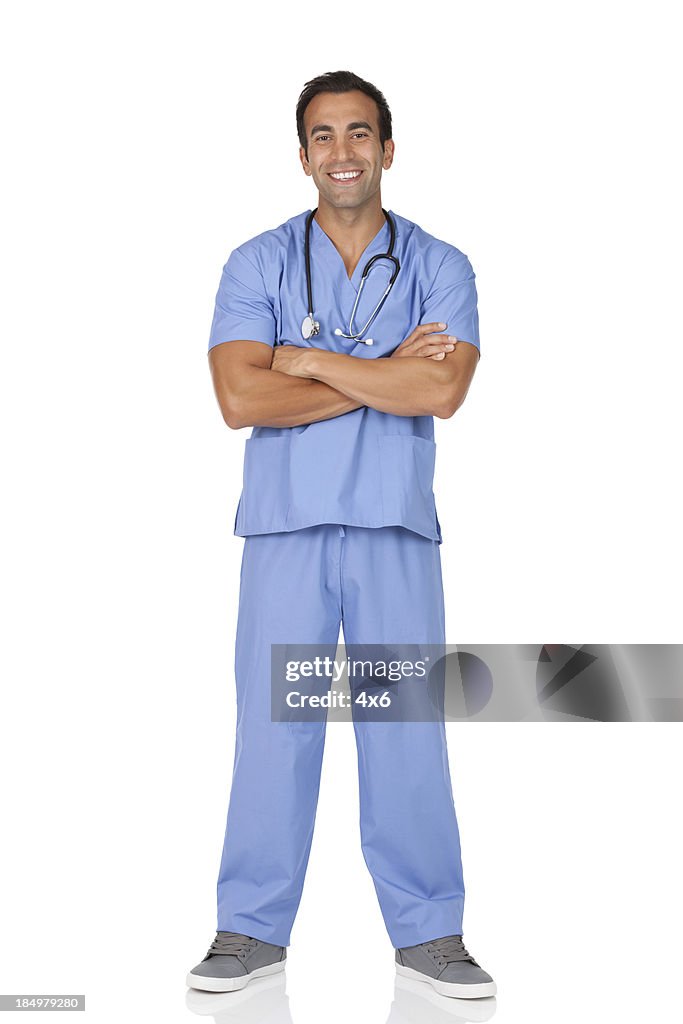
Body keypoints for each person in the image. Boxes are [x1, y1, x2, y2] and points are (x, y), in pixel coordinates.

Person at [186, 70, 496, 1001]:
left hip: (394, 528)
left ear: (387, 148)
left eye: (359, 133)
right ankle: (249, 930)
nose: (343, 151)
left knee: (404, 730)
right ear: (303, 156)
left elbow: (440, 390)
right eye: (323, 136)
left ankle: (430, 934)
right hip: (285, 530)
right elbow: (240, 398)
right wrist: (375, 371)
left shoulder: (441, 266)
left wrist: (308, 359)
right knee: (273, 731)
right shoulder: (257, 264)